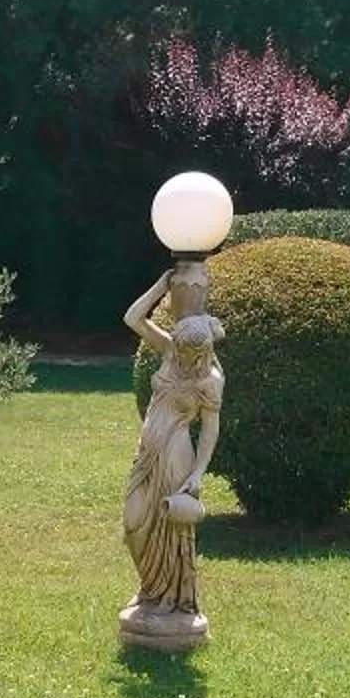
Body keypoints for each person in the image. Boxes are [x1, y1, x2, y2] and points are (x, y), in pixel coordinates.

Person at [121, 267, 223, 636]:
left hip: (176, 458)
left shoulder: (210, 381)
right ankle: (149, 590)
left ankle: (170, 598)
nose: (180, 356)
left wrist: (197, 474)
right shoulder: (168, 350)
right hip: (146, 454)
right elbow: (133, 317)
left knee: (168, 530)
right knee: (133, 524)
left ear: (202, 352)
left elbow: (210, 430)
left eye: (187, 353)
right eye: (178, 348)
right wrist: (162, 285)